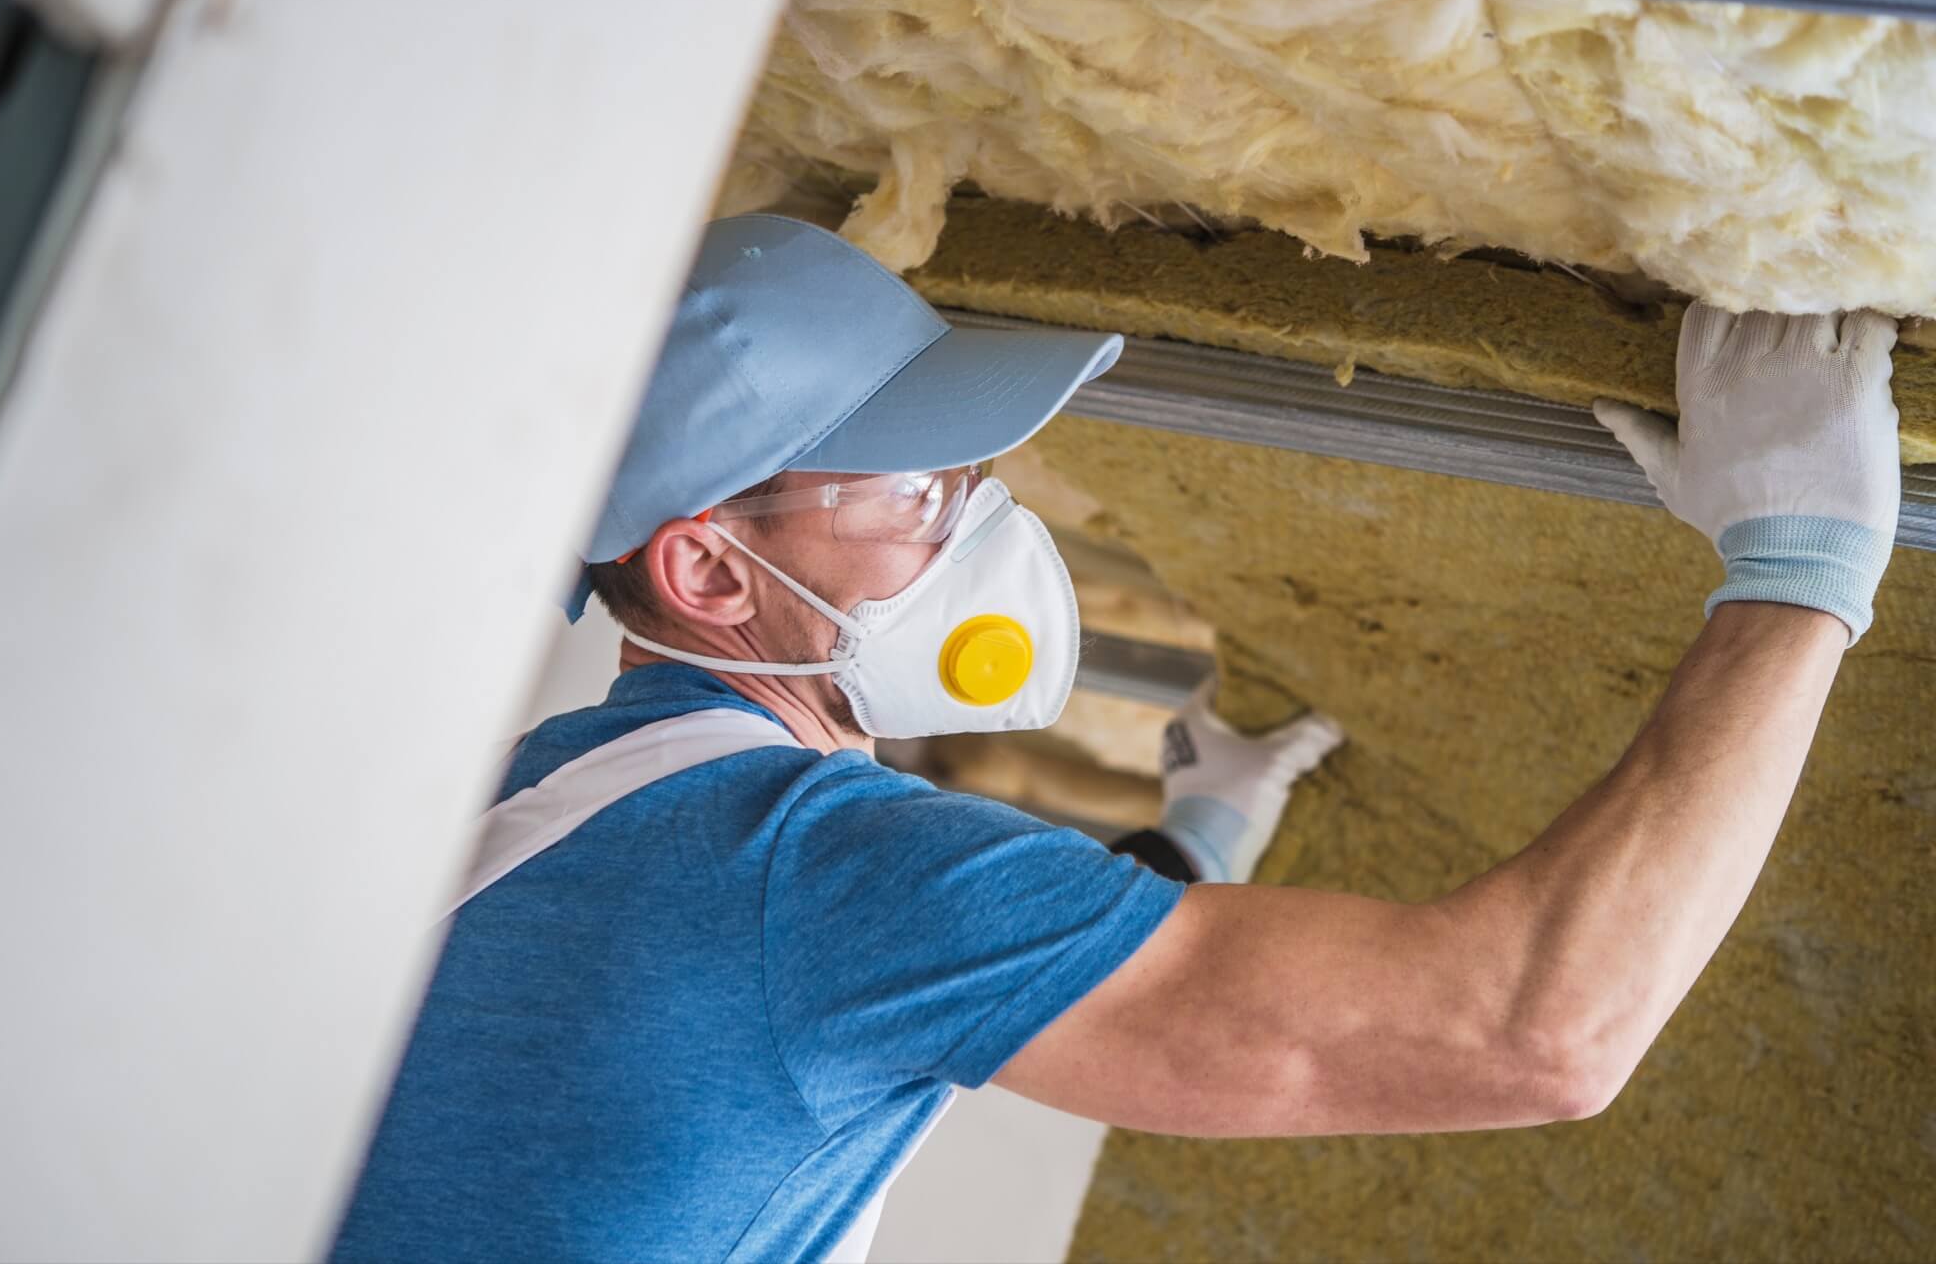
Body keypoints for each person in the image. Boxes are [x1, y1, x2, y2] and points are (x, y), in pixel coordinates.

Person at [331, 215, 1901, 1262]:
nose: (974, 521)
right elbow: (1532, 1032)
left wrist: (1191, 847)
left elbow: (860, 996)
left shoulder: (557, 815)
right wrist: (1800, 573)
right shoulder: (814, 872)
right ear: (704, 569)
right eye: (912, 489)